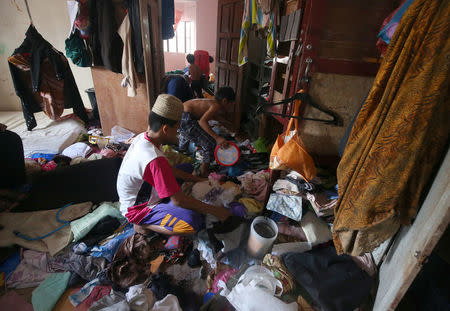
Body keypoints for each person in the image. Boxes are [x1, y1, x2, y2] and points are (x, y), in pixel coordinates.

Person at [116, 94, 232, 236]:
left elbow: (168, 171)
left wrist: (199, 179)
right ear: (165, 129)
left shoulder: (144, 137)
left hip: (146, 190)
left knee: (187, 169)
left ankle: (163, 204)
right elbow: (178, 201)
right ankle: (143, 224)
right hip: (137, 208)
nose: (178, 133)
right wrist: (217, 211)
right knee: (193, 222)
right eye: (177, 128)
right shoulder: (154, 159)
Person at [178, 86, 236, 177]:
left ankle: (181, 153)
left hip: (181, 115)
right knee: (210, 143)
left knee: (189, 135)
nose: (231, 107)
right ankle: (204, 172)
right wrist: (218, 138)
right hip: (185, 118)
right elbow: (202, 122)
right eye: (231, 104)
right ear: (225, 101)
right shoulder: (216, 106)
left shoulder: (213, 103)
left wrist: (227, 124)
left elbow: (215, 117)